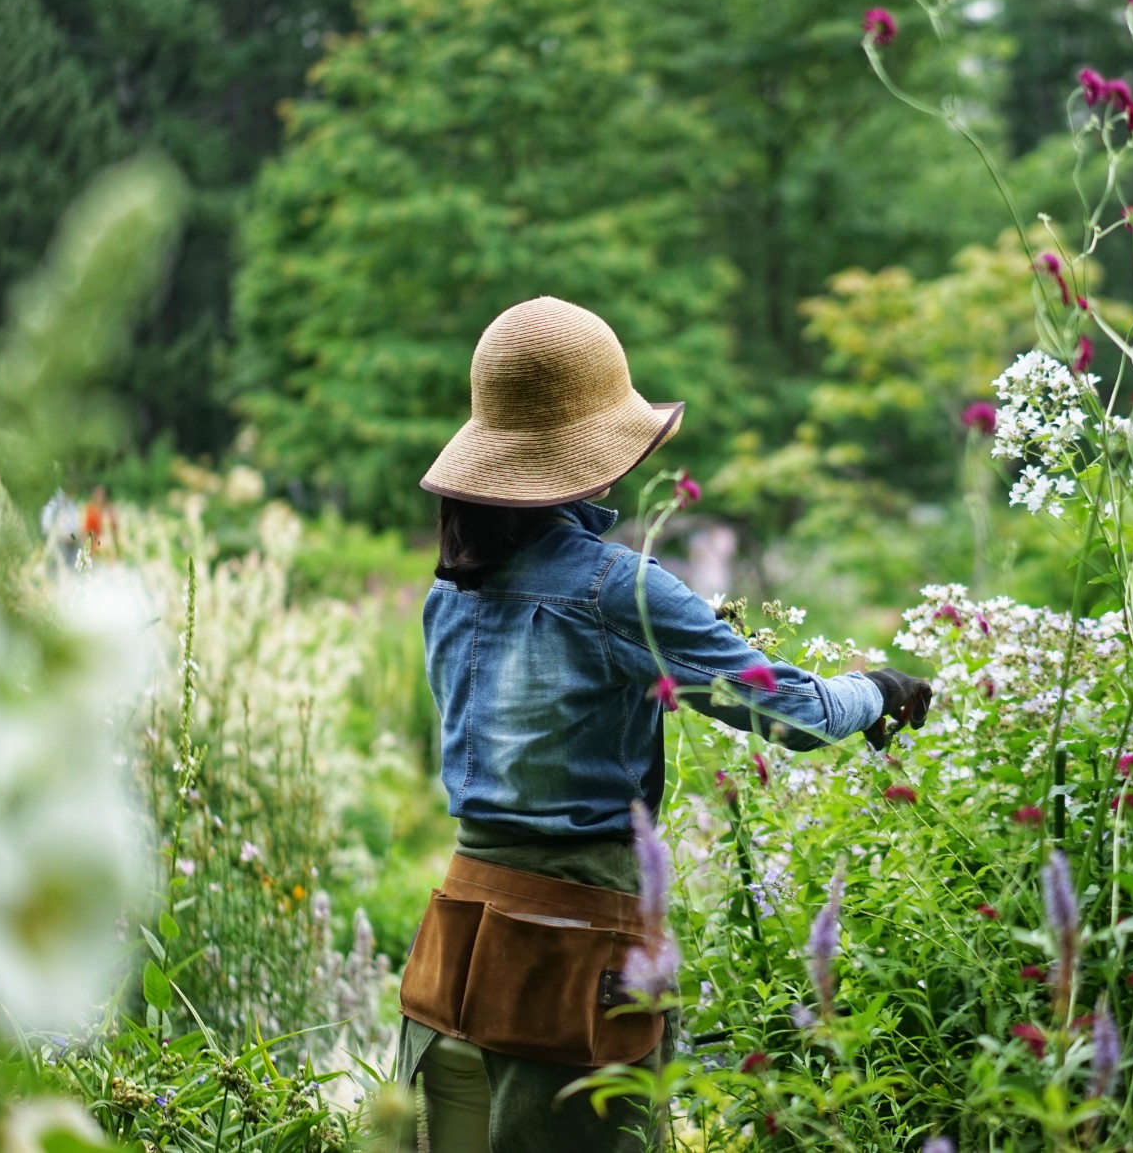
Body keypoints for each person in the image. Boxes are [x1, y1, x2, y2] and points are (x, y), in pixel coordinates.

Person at [395, 296, 932, 1152]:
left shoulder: (447, 589)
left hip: (454, 953)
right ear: (598, 457)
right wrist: (880, 689)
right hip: (568, 966)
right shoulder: (621, 586)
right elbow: (793, 712)